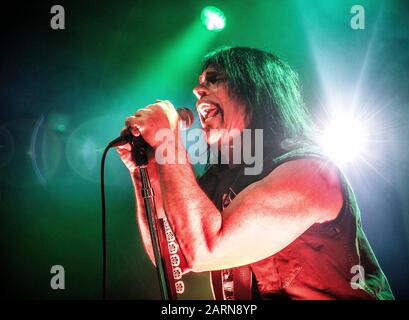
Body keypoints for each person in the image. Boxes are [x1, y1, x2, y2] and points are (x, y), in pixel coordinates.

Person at [117, 47, 394, 300]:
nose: (197, 90)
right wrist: (147, 170)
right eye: (200, 83)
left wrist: (169, 140)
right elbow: (173, 256)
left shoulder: (310, 173)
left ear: (257, 90)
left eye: (212, 79)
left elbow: (204, 250)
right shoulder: (221, 179)